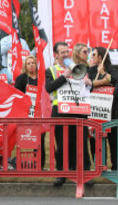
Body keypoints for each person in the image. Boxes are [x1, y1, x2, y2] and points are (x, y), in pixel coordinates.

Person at [44, 41, 91, 187]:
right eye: (62, 52)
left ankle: (85, 173)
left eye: (67, 51)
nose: (65, 55)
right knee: (63, 144)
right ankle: (62, 173)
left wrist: (90, 83)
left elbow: (86, 91)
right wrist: (64, 76)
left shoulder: (79, 68)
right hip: (60, 111)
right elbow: (49, 88)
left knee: (81, 143)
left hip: (78, 111)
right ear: (56, 55)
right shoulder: (51, 70)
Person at [14, 55, 45, 166]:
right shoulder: (21, 78)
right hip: (27, 113)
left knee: (41, 137)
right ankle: (24, 162)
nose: (31, 65)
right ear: (25, 66)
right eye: (29, 63)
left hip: (40, 113)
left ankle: (39, 164)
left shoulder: (42, 77)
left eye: (33, 63)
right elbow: (17, 95)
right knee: (29, 138)